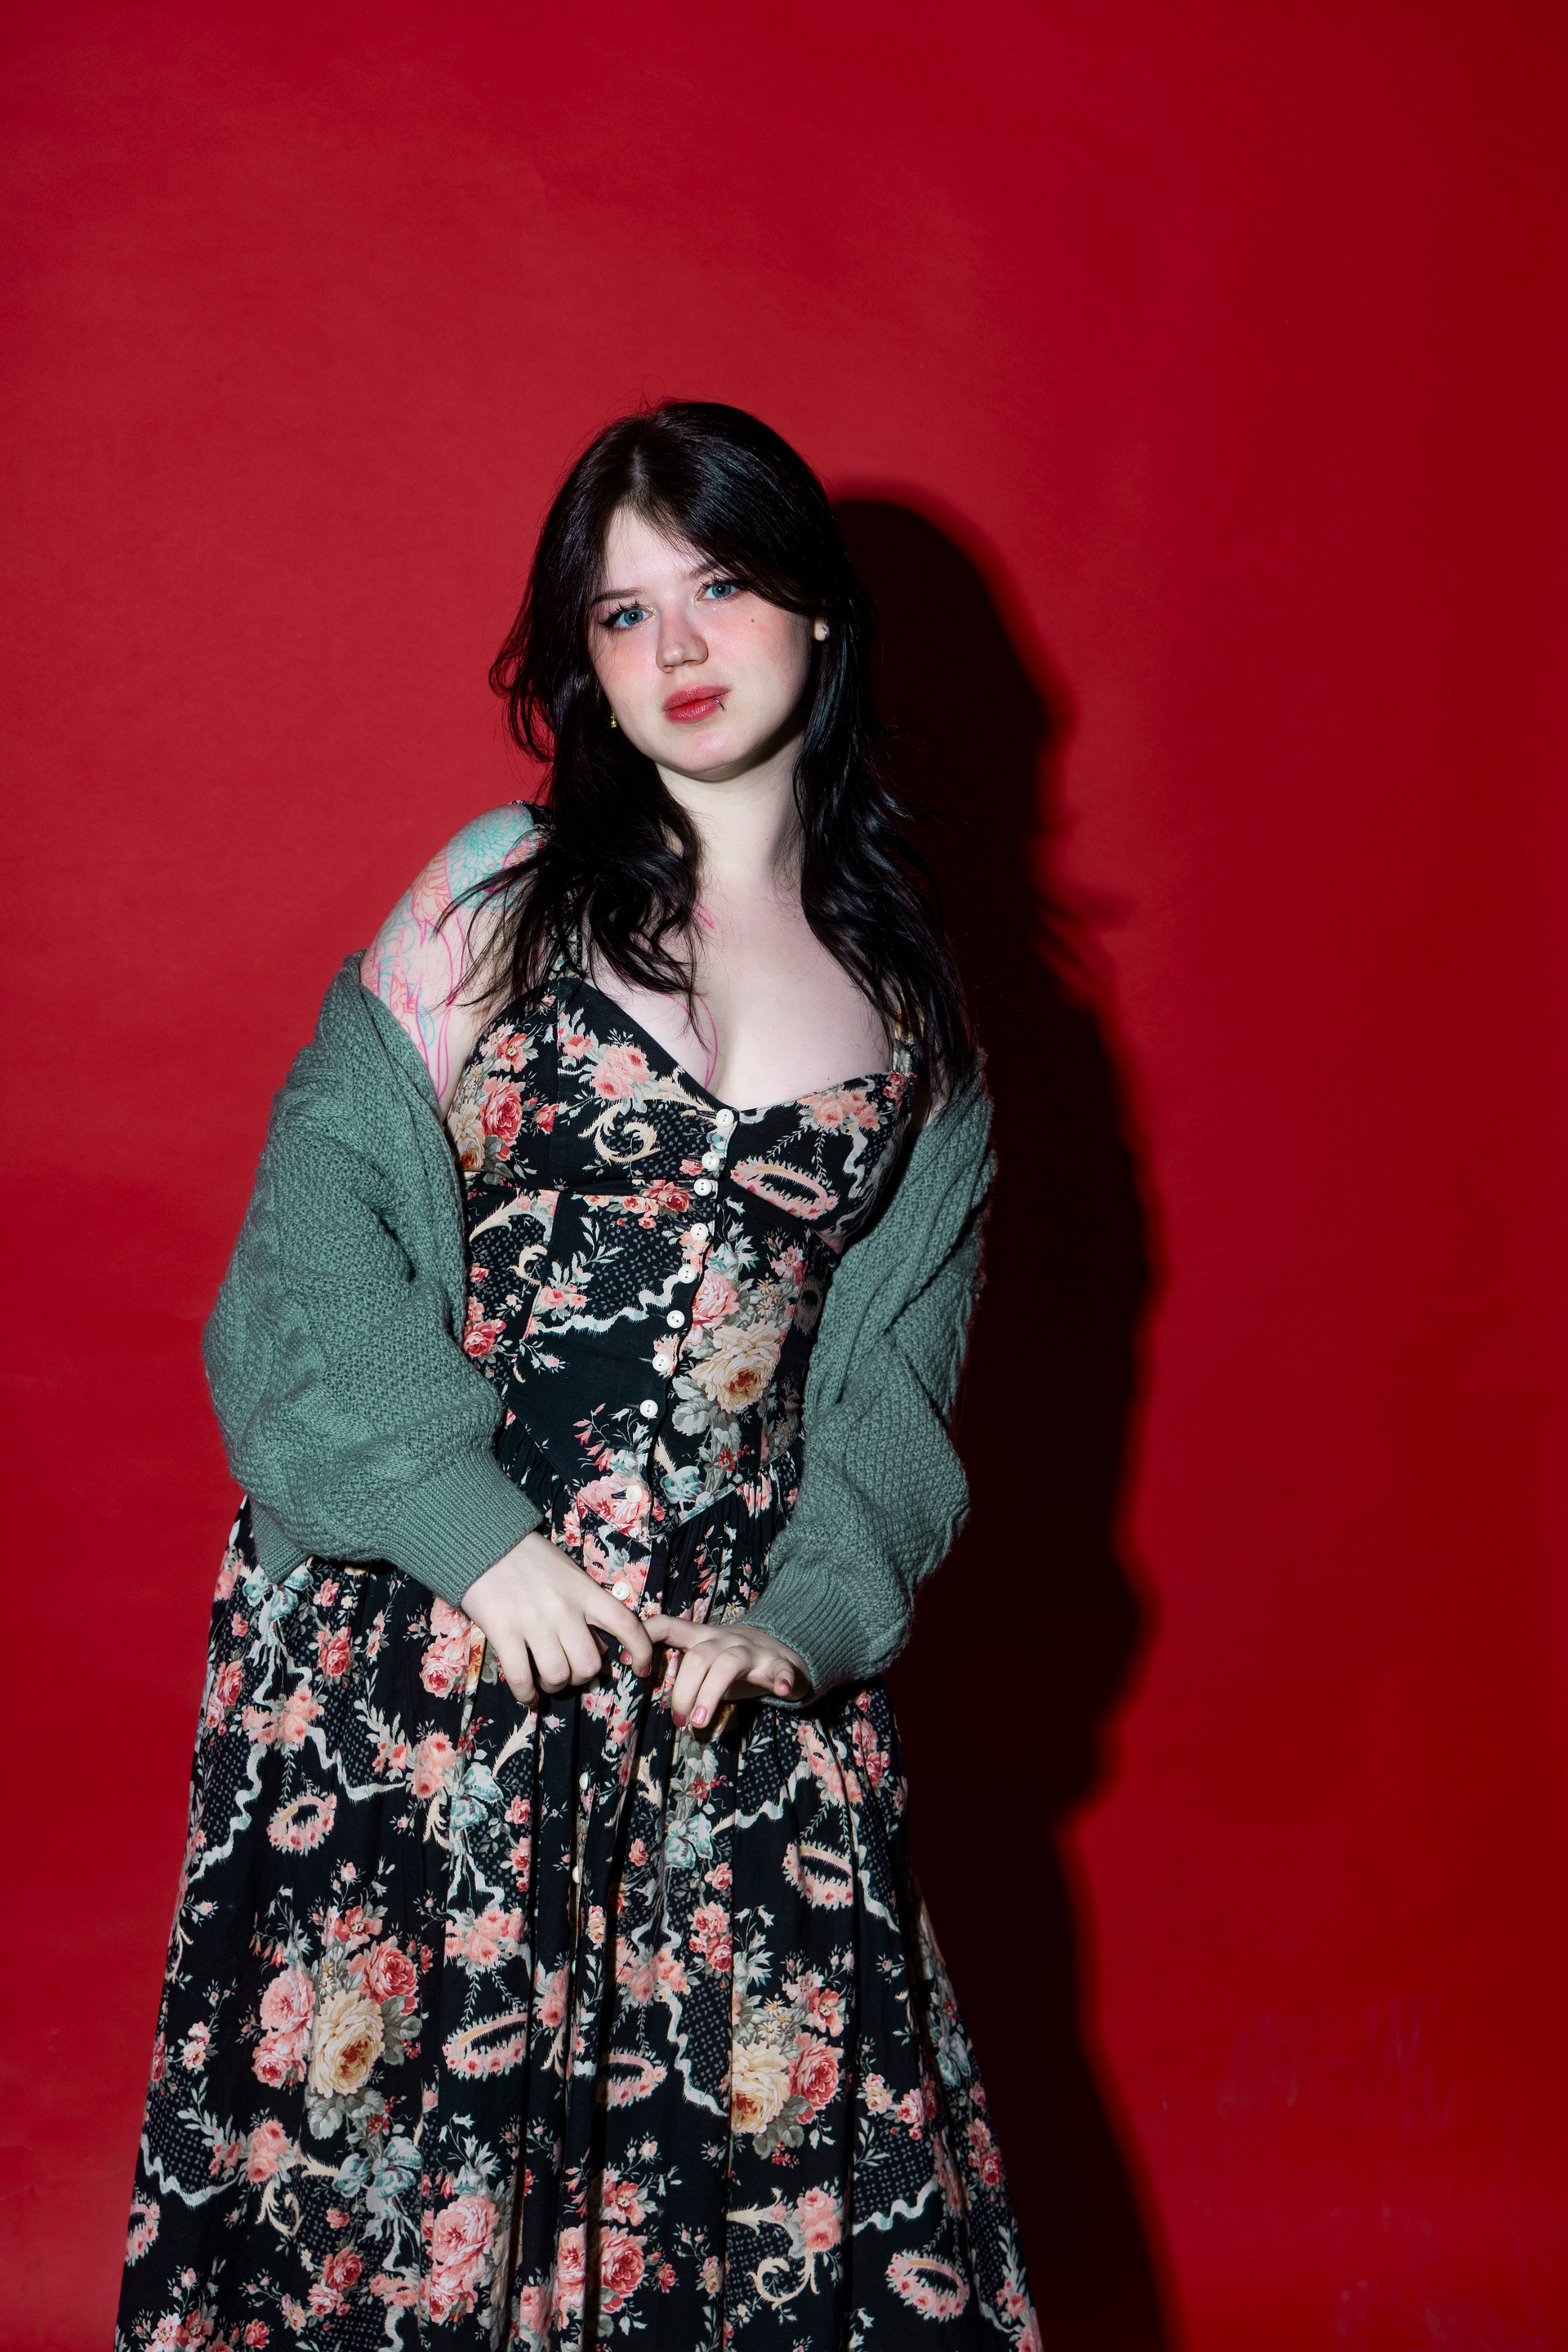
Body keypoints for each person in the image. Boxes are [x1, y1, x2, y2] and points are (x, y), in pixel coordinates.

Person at [118, 402, 1039, 2350]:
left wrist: (800, 1627)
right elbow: (304, 1257)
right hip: (423, 1652)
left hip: (719, 1693)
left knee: (760, 2230)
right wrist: (479, 1540)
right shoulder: (497, 892)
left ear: (817, 611)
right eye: (623, 616)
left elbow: (892, 1407)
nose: (677, 648)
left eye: (720, 587)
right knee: (388, 2234)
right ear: (583, 665)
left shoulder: (919, 1023)